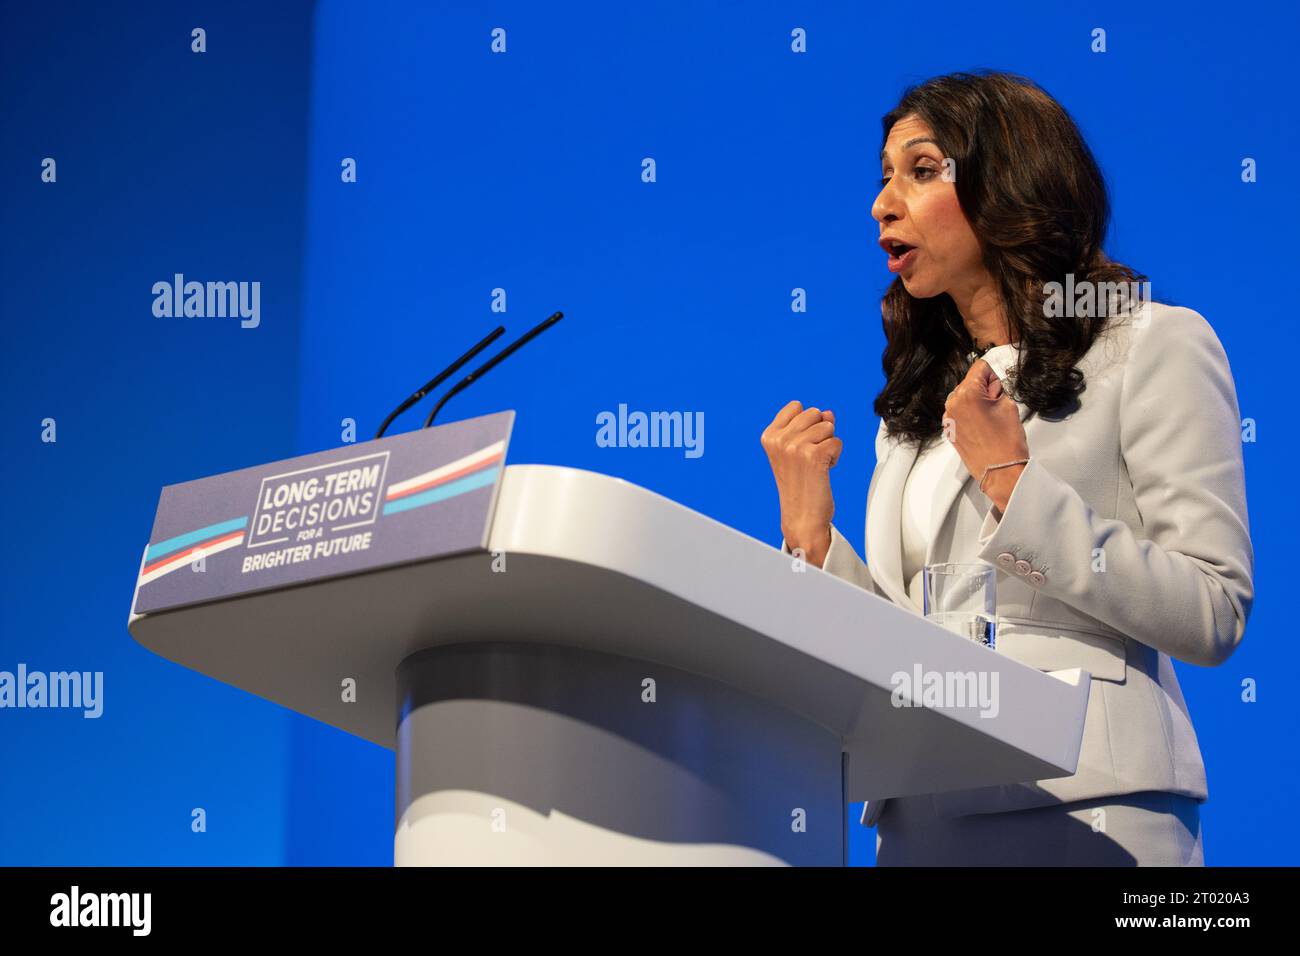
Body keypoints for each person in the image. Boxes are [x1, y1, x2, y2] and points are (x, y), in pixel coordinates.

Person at [762, 71, 1253, 866]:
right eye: (884, 176)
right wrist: (814, 541)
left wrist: (1014, 487)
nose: (884, 203)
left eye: (922, 171)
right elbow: (904, 639)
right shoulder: (916, 409)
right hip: (919, 815)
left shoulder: (1152, 343)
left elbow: (1213, 609)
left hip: (1089, 809)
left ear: (1009, 179)